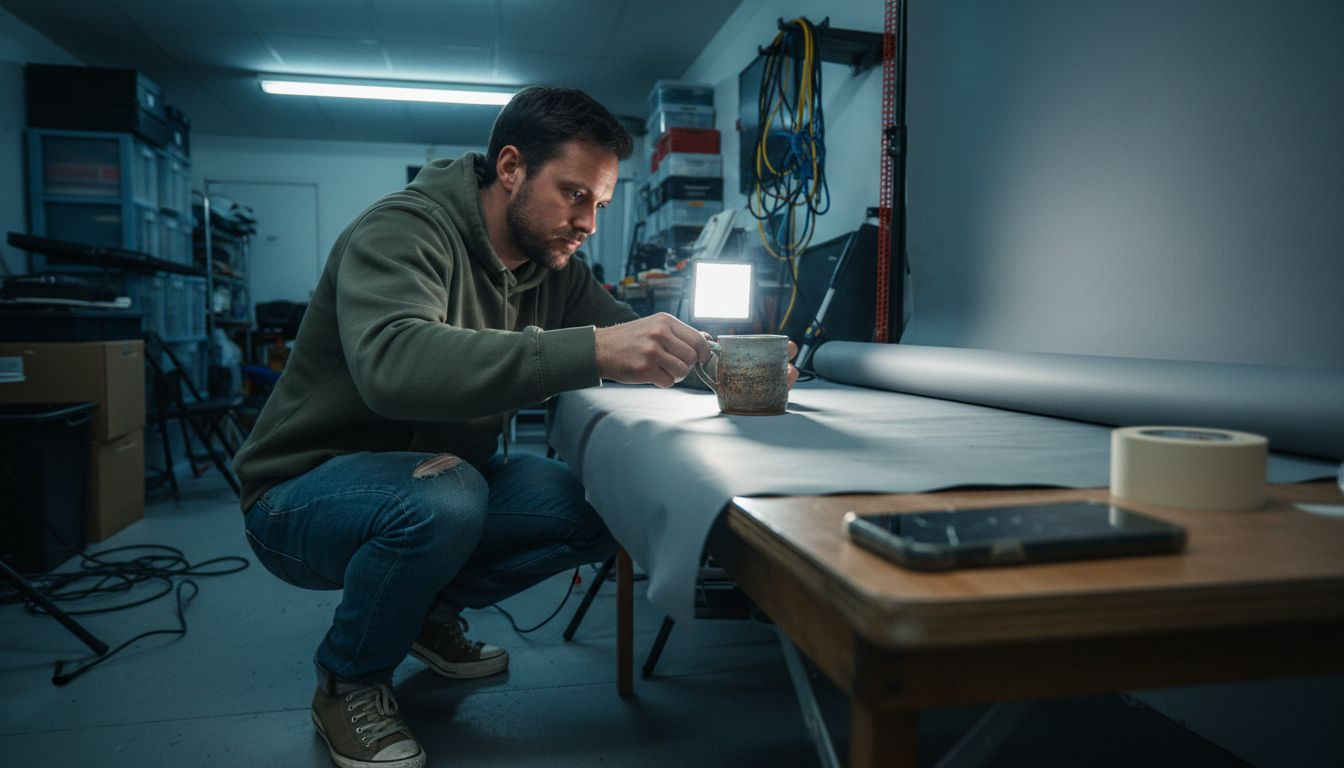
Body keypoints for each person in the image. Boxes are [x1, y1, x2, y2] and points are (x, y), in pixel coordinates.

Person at [234, 86, 795, 768]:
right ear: (510, 168)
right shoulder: (403, 229)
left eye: (599, 204)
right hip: (301, 494)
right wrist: (592, 350)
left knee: (604, 502)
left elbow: (639, 338)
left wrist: (729, 366)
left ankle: (421, 616)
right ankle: (348, 679)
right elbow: (393, 365)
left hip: (444, 478)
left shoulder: (553, 266)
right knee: (445, 497)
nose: (587, 221)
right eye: (574, 195)